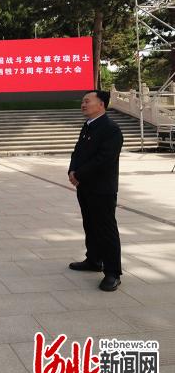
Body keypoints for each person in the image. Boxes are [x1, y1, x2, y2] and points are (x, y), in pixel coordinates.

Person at [68, 90, 124, 292]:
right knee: (90, 224)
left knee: (106, 229)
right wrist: (72, 170)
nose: (83, 104)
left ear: (101, 105)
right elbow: (77, 151)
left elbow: (104, 159)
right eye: (82, 101)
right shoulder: (88, 126)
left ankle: (113, 272)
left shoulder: (111, 129)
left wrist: (79, 174)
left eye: (87, 101)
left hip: (102, 189)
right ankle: (93, 260)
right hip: (85, 187)